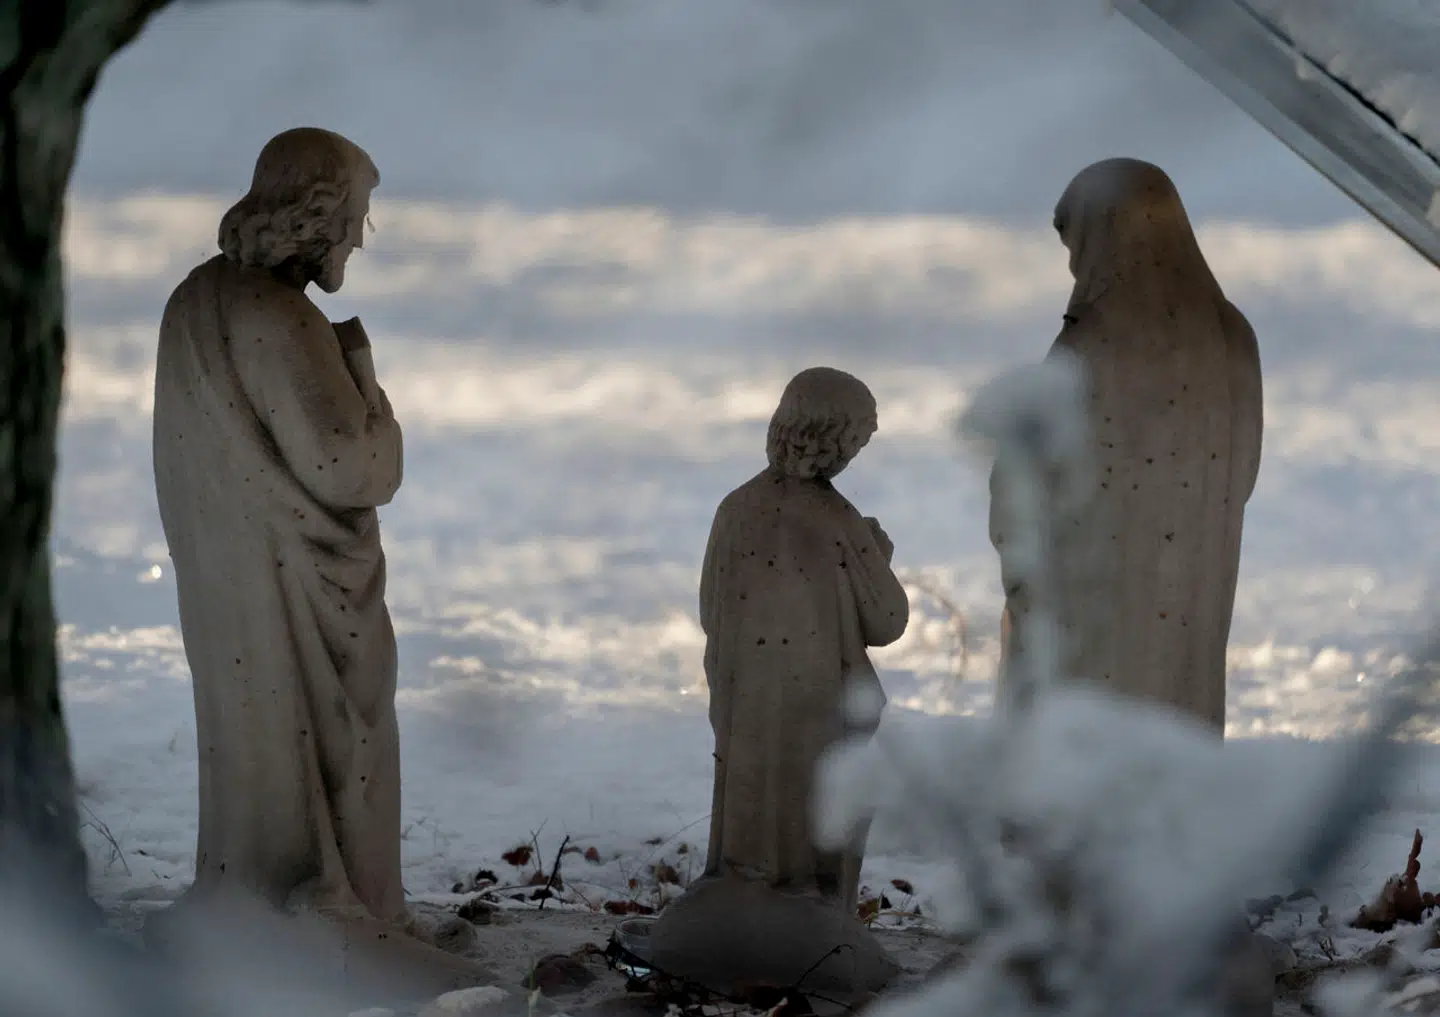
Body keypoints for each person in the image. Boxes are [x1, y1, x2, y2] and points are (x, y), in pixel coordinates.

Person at [152, 127, 407, 922]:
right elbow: (350, 468)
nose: (358, 238)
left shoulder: (193, 301)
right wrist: (371, 394)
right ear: (318, 215)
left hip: (222, 575)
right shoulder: (282, 320)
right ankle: (336, 914)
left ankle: (249, 900)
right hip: (301, 594)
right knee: (334, 748)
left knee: (249, 748)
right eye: (356, 217)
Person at [994, 157, 1263, 733]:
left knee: (1086, 746)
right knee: (1173, 725)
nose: (1075, 265)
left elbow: (1025, 482)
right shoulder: (1233, 335)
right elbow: (1242, 474)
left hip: (1091, 605)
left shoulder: (1092, 341)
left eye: (1079, 246)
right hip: (1192, 591)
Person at [699, 365, 908, 911]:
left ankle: (742, 893)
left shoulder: (734, 509)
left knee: (752, 807)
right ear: (833, 439)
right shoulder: (838, 522)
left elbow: (710, 611)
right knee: (820, 810)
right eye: (856, 441)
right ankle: (814, 911)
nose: (855, 454)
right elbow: (887, 620)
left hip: (745, 699)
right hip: (820, 706)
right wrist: (878, 557)